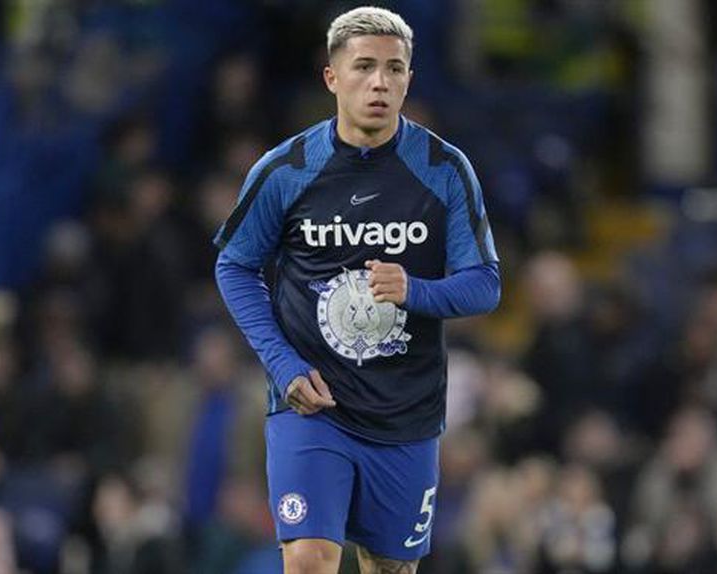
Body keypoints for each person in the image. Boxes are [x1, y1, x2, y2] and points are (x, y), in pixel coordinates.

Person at [213, 6, 501, 573]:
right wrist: (283, 365)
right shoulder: (286, 169)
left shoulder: (444, 169)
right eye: (364, 66)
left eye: (394, 69)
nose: (379, 83)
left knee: (389, 568)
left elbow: (485, 285)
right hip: (312, 408)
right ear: (332, 77)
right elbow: (235, 266)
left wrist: (415, 291)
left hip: (405, 416)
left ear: (409, 80)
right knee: (309, 560)